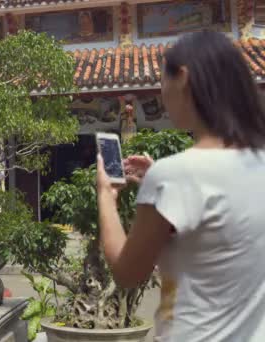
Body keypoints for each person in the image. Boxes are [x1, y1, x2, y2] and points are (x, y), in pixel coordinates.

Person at [96, 30, 265, 342]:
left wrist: (106, 194)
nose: (161, 93)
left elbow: (127, 272)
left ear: (183, 79)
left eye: (163, 81)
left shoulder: (176, 175)